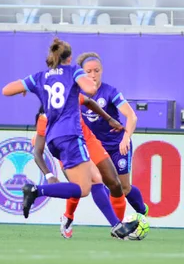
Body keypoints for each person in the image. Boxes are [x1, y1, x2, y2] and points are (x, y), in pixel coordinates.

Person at [1, 38, 139, 240]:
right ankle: (36, 191)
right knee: (84, 188)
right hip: (71, 136)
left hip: (55, 138)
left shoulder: (39, 77)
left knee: (95, 180)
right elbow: (91, 90)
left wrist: (25, 88)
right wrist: (82, 78)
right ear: (70, 58)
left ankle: (116, 226)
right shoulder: (73, 71)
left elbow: (6, 90)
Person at [33, 95, 128, 239]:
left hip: (88, 141)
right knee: (82, 184)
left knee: (113, 182)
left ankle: (117, 226)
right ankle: (69, 216)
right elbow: (37, 152)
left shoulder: (70, 97)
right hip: (68, 148)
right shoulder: (45, 118)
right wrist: (49, 175)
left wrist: (109, 119)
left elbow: (89, 102)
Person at [78, 52, 149, 219]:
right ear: (82, 73)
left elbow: (131, 116)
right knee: (98, 182)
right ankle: (116, 223)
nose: (93, 75)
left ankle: (142, 212)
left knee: (123, 187)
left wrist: (126, 138)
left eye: (96, 70)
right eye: (88, 71)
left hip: (117, 145)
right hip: (95, 148)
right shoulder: (76, 94)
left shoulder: (110, 92)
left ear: (102, 71)